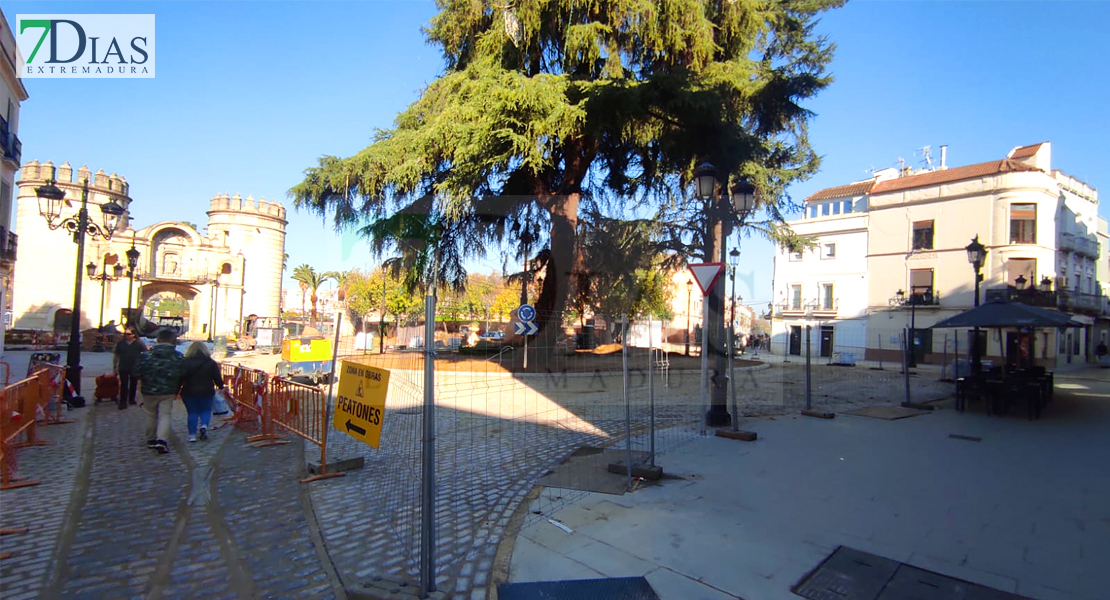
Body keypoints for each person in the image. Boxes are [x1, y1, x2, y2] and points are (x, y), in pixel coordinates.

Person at [134, 329, 184, 454]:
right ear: (173, 340)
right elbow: (183, 373)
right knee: (165, 415)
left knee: (150, 414)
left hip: (148, 390)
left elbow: (135, 372)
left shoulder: (145, 355)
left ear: (158, 339)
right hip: (168, 390)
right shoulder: (178, 356)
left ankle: (151, 439)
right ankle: (161, 440)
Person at [178, 342, 225, 443]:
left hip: (189, 391)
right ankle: (204, 425)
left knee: (192, 413)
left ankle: (192, 436)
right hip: (207, 391)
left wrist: (176, 390)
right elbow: (217, 377)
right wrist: (221, 386)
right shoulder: (210, 363)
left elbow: (180, 378)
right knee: (206, 410)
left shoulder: (185, 362)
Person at [113, 326, 147, 410]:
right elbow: (116, 355)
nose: (126, 336)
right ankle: (123, 401)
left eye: (128, 334)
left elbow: (146, 353)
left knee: (133, 383)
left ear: (133, 335)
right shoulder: (121, 343)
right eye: (125, 334)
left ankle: (131, 399)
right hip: (123, 366)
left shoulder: (139, 343)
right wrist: (115, 366)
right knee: (124, 384)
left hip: (135, 366)